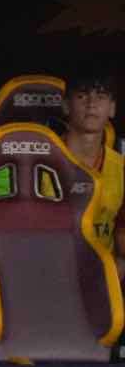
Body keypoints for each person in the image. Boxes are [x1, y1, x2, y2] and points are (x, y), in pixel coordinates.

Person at [60, 64, 124, 275]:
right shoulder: (44, 160)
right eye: (82, 96)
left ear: (112, 108)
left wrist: (118, 267)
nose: (92, 104)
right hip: (54, 272)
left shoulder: (121, 168)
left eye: (101, 96)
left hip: (105, 275)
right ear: (66, 105)